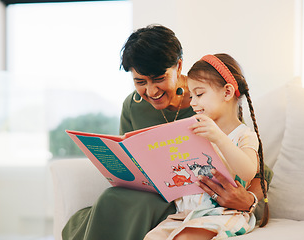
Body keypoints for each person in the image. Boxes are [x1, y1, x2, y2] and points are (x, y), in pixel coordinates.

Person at [62, 25, 272, 240]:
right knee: (112, 197)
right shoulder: (133, 106)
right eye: (140, 82)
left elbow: (254, 170)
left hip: (188, 202)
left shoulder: (209, 103)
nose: (151, 91)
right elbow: (129, 162)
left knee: (118, 204)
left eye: (159, 78)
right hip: (152, 194)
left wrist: (248, 201)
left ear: (178, 66)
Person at [144, 53, 269, 240]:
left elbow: (248, 172)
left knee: (185, 238)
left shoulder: (245, 135)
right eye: (191, 95)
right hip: (185, 215)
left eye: (199, 94)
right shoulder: (195, 132)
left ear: (227, 92)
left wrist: (219, 137)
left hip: (223, 214)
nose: (193, 102)